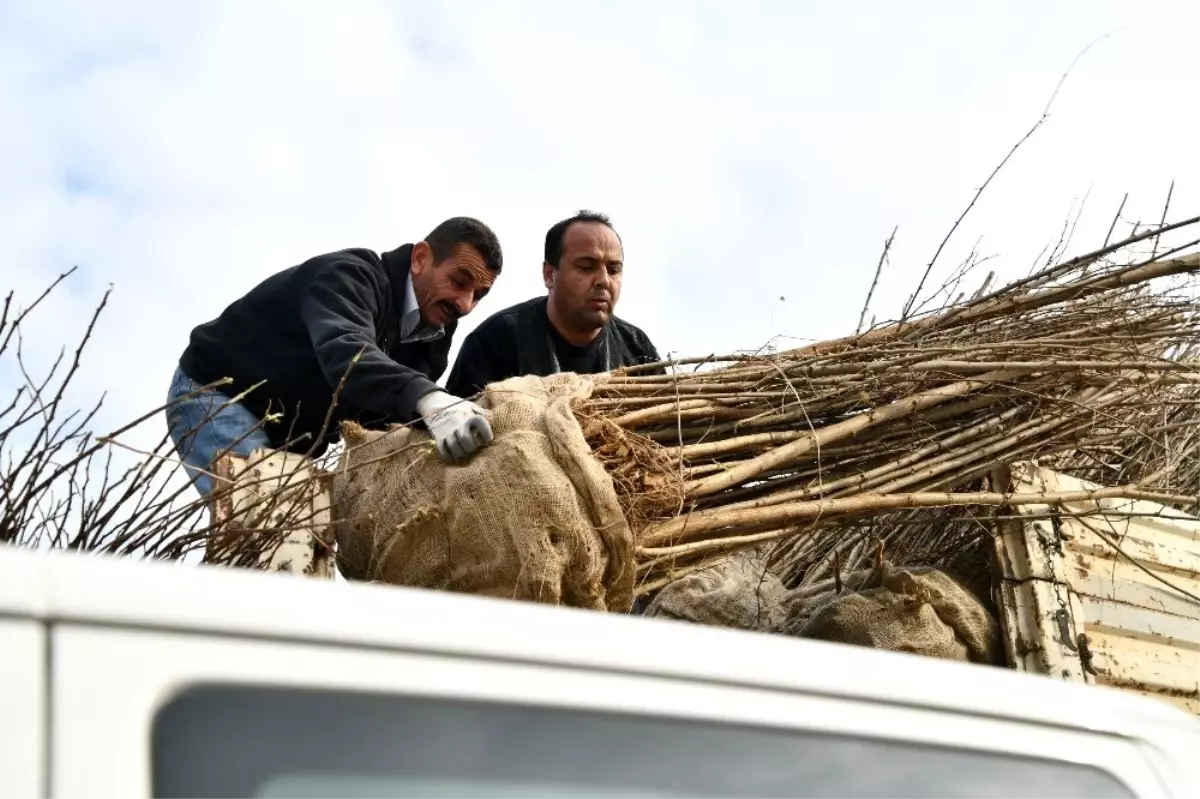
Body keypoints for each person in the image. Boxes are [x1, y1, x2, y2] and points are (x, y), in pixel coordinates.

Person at [166, 216, 503, 499]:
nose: (465, 304)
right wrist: (431, 399)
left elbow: (385, 419)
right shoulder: (348, 277)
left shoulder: (433, 334)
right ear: (419, 258)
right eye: (459, 282)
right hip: (220, 396)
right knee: (264, 526)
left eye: (479, 295)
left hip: (292, 437)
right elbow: (347, 354)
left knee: (298, 552)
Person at [444, 210, 661, 399]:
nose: (604, 280)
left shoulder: (637, 349)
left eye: (613, 270)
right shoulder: (496, 341)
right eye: (586, 266)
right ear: (549, 275)